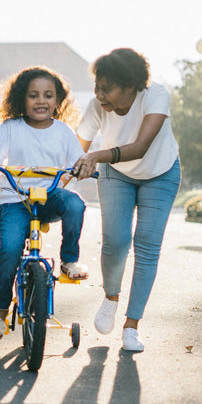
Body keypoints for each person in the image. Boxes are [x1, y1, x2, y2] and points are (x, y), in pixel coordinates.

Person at [0, 67, 89, 340]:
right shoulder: (10, 128)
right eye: (33, 95)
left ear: (58, 101)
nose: (41, 101)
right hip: (15, 200)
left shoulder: (63, 132)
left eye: (48, 95)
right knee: (10, 250)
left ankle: (69, 261)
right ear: (21, 99)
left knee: (75, 204)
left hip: (49, 198)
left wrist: (83, 168)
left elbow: (78, 161)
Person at [74, 48, 180, 352]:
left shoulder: (154, 96)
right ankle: (110, 297)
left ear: (130, 86)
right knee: (116, 241)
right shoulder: (97, 106)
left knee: (147, 244)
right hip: (116, 174)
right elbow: (75, 149)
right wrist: (57, 181)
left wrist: (95, 155)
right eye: (97, 86)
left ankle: (132, 326)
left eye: (107, 88)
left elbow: (141, 146)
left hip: (160, 172)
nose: (99, 94)